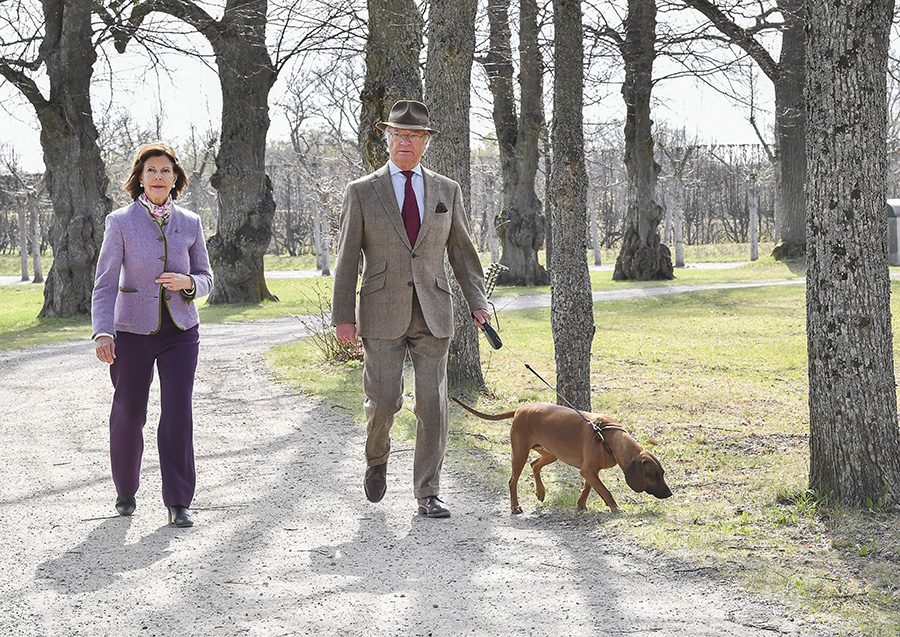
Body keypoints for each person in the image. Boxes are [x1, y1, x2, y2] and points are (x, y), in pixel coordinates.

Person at [332, 100, 491, 518]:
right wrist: (343, 316)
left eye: (414, 135)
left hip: (434, 310)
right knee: (384, 400)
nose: (405, 141)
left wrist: (478, 301)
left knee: (432, 405)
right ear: (387, 139)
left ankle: (428, 491)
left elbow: (462, 252)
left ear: (425, 142)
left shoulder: (446, 190)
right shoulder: (361, 191)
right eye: (398, 134)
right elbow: (346, 258)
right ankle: (376, 458)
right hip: (381, 311)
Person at [91, 141, 213, 528]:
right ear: (140, 179)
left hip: (181, 331)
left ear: (176, 178)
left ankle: (178, 501)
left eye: (165, 171)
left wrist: (188, 282)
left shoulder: (190, 223)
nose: (158, 177)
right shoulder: (120, 222)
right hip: (131, 332)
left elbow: (207, 278)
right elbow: (104, 284)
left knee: (178, 412)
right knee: (129, 414)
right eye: (151, 171)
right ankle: (125, 490)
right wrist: (103, 332)